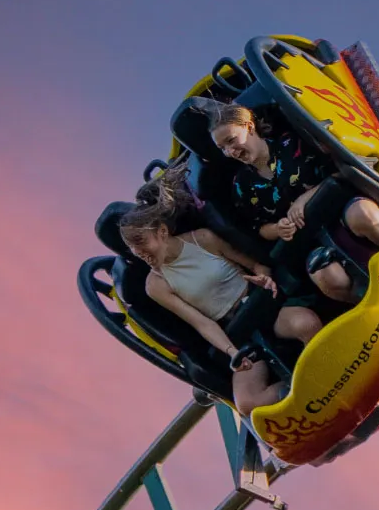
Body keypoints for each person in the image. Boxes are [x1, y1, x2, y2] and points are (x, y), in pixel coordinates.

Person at [118, 168, 322, 422]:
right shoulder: (155, 285)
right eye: (132, 247)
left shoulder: (202, 239)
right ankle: (308, 400)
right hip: (236, 331)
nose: (139, 252)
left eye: (141, 242)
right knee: (248, 403)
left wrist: (263, 278)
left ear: (161, 232)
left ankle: (326, 380)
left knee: (307, 324)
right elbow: (201, 322)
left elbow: (257, 263)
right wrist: (231, 351)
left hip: (260, 306)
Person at [207, 103, 379, 303]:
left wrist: (305, 198)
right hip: (310, 238)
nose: (230, 151)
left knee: (364, 216)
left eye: (231, 140)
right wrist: (278, 228)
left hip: (340, 210)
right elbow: (259, 228)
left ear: (249, 127)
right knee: (326, 275)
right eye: (222, 148)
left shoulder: (292, 143)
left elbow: (343, 171)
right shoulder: (241, 185)